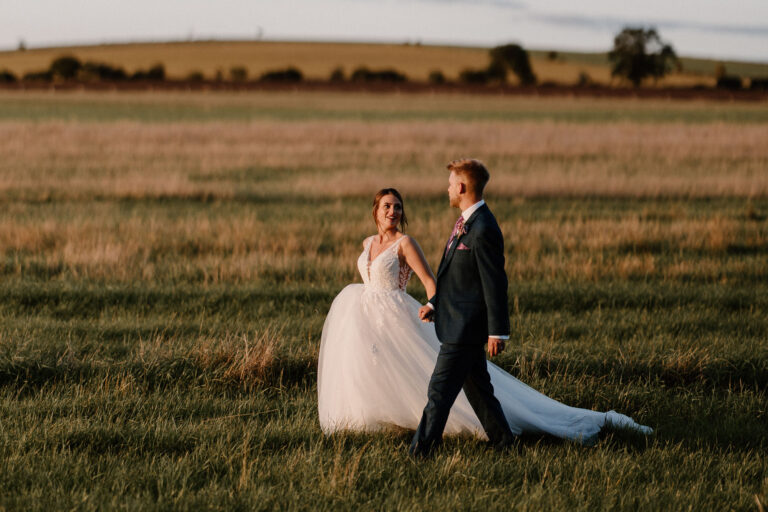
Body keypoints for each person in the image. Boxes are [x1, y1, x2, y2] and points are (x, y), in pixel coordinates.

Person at [317, 160, 652, 450]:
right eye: (387, 206)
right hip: (436, 319)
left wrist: (497, 330)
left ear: (461, 186)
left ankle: (420, 451)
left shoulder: (482, 227)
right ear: (375, 211)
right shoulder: (466, 222)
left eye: (450, 183)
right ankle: (506, 443)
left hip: (461, 325)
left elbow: (493, 283)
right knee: (479, 392)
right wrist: (437, 306)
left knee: (438, 393)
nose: (446, 189)